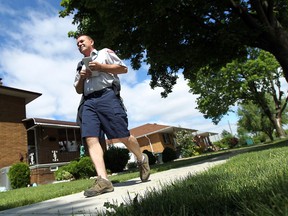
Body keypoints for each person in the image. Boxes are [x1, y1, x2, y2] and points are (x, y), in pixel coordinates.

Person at [74, 35, 150, 197]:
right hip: (88, 101)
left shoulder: (104, 53)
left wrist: (101, 67)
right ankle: (103, 180)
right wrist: (81, 77)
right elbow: (78, 89)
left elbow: (123, 68)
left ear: (92, 42)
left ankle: (141, 158)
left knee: (122, 135)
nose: (79, 44)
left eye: (82, 41)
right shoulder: (80, 65)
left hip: (107, 96)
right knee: (90, 138)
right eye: (77, 43)